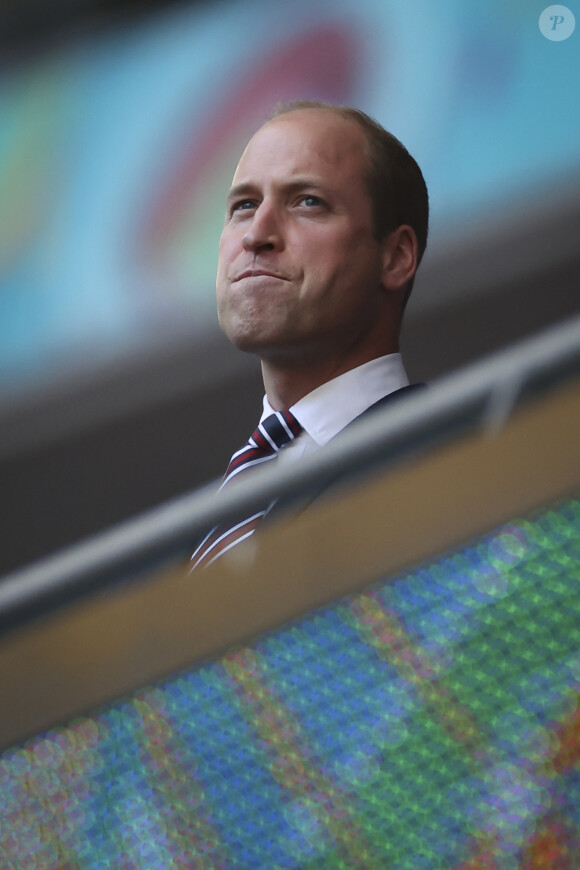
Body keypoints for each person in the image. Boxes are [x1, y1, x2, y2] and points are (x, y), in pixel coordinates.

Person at [190, 100, 429, 569]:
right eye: (243, 205)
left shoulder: (459, 459)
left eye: (307, 202)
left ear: (396, 256)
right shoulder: (172, 542)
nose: (256, 234)